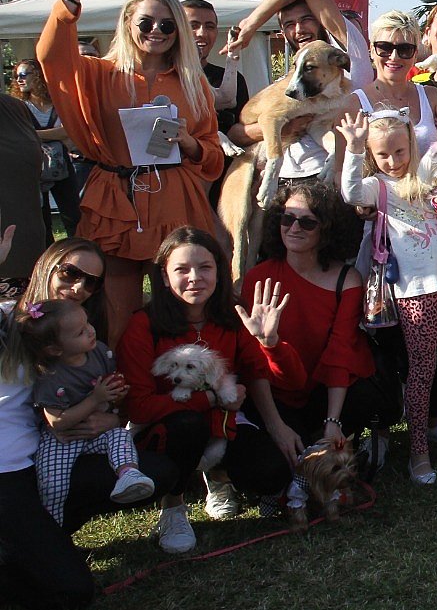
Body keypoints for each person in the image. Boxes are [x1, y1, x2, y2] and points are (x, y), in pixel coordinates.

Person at [39, 0, 225, 344]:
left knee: (181, 304)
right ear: (128, 23)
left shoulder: (193, 84)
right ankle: (119, 378)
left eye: (167, 25)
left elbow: (212, 155)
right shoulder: (100, 74)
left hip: (174, 197)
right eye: (146, 23)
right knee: (115, 310)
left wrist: (189, 142)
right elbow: (52, 57)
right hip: (115, 200)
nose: (156, 31)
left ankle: (181, 376)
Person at [120, 228, 302, 554]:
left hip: (224, 423)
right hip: (167, 429)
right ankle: (173, 507)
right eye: (182, 269)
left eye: (205, 267)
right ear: (164, 277)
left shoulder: (232, 316)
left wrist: (269, 344)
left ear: (219, 271)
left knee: (271, 472)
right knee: (188, 425)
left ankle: (217, 477)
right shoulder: (143, 325)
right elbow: (139, 407)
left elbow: (263, 375)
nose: (195, 278)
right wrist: (208, 399)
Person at [337, 109, 437, 486]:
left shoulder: (431, 177)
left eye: (399, 151)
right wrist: (353, 148)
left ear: (412, 145)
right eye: (383, 154)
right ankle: (418, 451)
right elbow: (350, 192)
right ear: (373, 154)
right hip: (415, 292)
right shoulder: (377, 187)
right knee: (422, 370)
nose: (393, 161)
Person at [232, 182, 380, 519]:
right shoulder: (259, 277)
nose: (294, 228)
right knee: (269, 468)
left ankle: (327, 458)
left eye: (307, 222)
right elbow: (253, 365)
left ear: (327, 229)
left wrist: (332, 421)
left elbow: (341, 352)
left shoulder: (347, 279)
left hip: (322, 390)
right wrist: (275, 425)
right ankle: (288, 480)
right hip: (276, 394)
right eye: (287, 219)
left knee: (364, 397)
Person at [5, 299, 155, 524]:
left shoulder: (100, 353)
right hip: (62, 441)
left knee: (120, 436)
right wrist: (96, 399)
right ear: (55, 349)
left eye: (88, 324)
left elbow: (112, 400)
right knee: (54, 486)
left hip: (95, 436)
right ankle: (54, 527)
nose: (91, 331)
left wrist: (116, 393)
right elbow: (57, 423)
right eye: (80, 332)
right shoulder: (50, 374)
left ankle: (128, 474)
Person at [222, 0, 373, 184]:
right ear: (283, 33)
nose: (299, 29)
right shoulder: (291, 81)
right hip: (285, 183)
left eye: (306, 19)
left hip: (330, 181)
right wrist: (285, 127)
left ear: (321, 20)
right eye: (289, 25)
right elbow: (236, 134)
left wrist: (251, 24)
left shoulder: (349, 58)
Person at [345, 10, 437, 150]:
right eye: (385, 48)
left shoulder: (432, 97)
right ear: (372, 50)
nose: (394, 56)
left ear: (415, 54)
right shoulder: (353, 104)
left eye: (405, 49)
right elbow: (340, 163)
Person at [13, 57, 79, 236]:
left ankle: (76, 249)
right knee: (42, 220)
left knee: (73, 215)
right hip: (33, 168)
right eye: (16, 76)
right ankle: (47, 252)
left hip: (62, 166)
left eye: (23, 74)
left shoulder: (60, 102)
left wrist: (34, 134)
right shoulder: (18, 107)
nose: (19, 79)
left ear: (39, 75)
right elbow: (18, 136)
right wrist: (56, 135)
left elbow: (69, 131)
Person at [181, 0, 251, 148]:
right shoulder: (164, 77)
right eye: (193, 26)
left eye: (209, 26)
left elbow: (242, 127)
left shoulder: (234, 80)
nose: (202, 33)